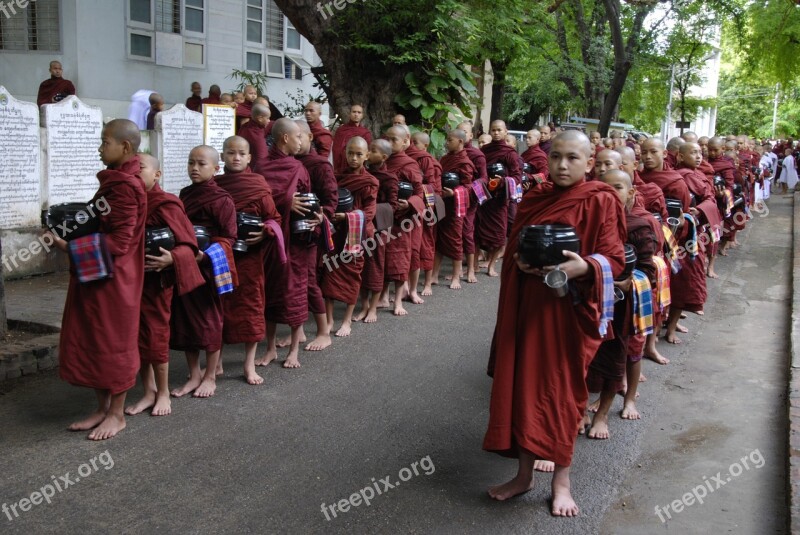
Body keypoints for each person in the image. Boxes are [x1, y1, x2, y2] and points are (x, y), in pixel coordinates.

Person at [484, 131, 626, 516]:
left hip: (568, 313)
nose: (563, 165)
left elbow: (613, 260)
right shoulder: (535, 197)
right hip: (529, 306)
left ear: (589, 162)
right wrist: (520, 264)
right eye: (557, 157)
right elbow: (515, 249)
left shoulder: (600, 200)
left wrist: (585, 266)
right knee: (523, 388)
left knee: (563, 395)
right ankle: (523, 476)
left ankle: (561, 483)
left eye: (573, 158)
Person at [52, 119, 146, 440]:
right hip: (99, 274)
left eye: (105, 142)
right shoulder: (117, 181)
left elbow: (120, 242)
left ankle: (117, 414)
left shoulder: (125, 187)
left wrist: (68, 246)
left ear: (125, 147)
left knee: (112, 342)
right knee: (94, 338)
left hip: (115, 280)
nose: (99, 148)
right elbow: (98, 221)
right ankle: (102, 408)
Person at [126, 154, 204, 417]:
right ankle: (147, 391)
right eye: (131, 170)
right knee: (137, 335)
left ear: (156, 175)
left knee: (156, 335)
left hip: (157, 282)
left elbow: (189, 243)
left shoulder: (166, 203)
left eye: (141, 169)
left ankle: (162, 392)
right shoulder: (125, 202)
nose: (135, 174)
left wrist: (172, 258)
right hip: (130, 282)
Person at [588, 169, 657, 437]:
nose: (610, 193)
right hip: (588, 302)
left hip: (620, 305)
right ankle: (580, 410)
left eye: (617, 187)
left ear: (631, 193)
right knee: (582, 361)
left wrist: (630, 282)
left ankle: (603, 414)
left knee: (614, 360)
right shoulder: (589, 223)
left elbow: (648, 270)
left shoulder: (638, 227)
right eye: (604, 188)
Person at [170, 146, 237, 398]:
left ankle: (210, 375)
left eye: (201, 164)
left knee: (210, 320)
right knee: (185, 318)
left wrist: (203, 255)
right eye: (191, 163)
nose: (194, 168)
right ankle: (194, 374)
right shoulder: (185, 194)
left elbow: (229, 237)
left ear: (216, 169)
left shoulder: (221, 199)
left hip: (209, 264)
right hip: (186, 262)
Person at [215, 136, 281, 385]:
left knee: (252, 309)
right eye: (231, 153)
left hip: (251, 259)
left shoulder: (257, 185)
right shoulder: (215, 185)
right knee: (220, 308)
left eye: (242, 153)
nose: (236, 157)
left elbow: (274, 218)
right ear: (222, 157)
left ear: (250, 157)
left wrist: (266, 231)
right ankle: (217, 361)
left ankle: (248, 363)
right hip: (223, 258)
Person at [256, 119, 316, 369]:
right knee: (270, 293)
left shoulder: (298, 168)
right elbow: (259, 199)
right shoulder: (261, 167)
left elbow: (309, 200)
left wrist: (318, 216)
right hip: (272, 240)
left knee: (295, 293)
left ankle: (293, 350)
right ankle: (270, 348)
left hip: (296, 241)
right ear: (284, 138)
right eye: (298, 137)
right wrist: (286, 201)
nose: (301, 142)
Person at [320, 137, 378, 336]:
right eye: (350, 153)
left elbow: (369, 213)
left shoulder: (370, 181)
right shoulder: (336, 176)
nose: (354, 158)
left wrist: (347, 216)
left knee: (353, 276)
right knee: (328, 275)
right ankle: (328, 321)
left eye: (359, 154)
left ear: (367, 156)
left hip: (355, 234)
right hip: (336, 234)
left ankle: (346, 321)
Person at [639, 138, 692, 344]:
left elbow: (683, 213)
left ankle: (658, 335)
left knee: (664, 287)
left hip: (669, 241)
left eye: (653, 152)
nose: (648, 156)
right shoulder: (637, 179)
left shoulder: (675, 181)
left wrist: (676, 228)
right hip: (644, 241)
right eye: (644, 152)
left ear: (664, 154)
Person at [293, 120, 336, 352]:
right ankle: (297, 331)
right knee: (292, 281)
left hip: (311, 229)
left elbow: (331, 200)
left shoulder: (320, 165)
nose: (296, 141)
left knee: (309, 280)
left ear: (310, 138)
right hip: (290, 229)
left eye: (301, 136)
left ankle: (323, 332)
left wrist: (322, 217)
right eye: (293, 136)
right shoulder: (287, 163)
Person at [382, 126, 425, 316]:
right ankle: (383, 296)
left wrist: (408, 204)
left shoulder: (409, 164)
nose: (390, 144)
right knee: (383, 259)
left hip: (405, 219)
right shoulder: (382, 162)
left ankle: (399, 300)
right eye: (387, 139)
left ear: (404, 141)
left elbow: (419, 193)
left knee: (403, 259)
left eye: (394, 140)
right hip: (384, 217)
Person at [355, 139, 399, 323]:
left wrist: (371, 209)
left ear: (383, 157)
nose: (368, 153)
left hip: (380, 228)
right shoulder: (361, 175)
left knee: (376, 268)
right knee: (362, 267)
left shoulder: (390, 179)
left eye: (372, 150)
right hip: (361, 226)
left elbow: (393, 205)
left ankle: (373, 307)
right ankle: (364, 306)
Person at [478, 120, 521, 277]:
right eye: (493, 130)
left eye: (499, 130)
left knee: (499, 233)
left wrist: (502, 182)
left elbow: (517, 176)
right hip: (484, 196)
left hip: (500, 198)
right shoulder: (484, 151)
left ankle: (491, 264)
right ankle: (477, 263)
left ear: (505, 132)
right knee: (478, 230)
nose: (496, 133)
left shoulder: (509, 153)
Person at [432, 129, 474, 290]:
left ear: (461, 142)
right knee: (439, 240)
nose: (447, 143)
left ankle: (456, 276)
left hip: (456, 207)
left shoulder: (465, 162)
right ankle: (435, 274)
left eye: (450, 140)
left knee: (455, 241)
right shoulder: (445, 158)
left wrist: (454, 192)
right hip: (442, 204)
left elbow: (468, 186)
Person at [407, 131, 442, 298]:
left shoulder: (426, 159)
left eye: (415, 142)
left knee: (427, 243)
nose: (412, 145)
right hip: (410, 206)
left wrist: (417, 186)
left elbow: (433, 185)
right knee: (411, 245)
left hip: (426, 205)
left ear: (425, 145)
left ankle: (428, 282)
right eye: (411, 141)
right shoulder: (404, 157)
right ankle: (407, 286)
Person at [458, 121, 487, 284]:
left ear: (471, 135)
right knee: (454, 233)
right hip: (453, 198)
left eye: (465, 132)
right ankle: (458, 268)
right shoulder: (452, 154)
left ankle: (471, 269)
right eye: (459, 131)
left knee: (467, 232)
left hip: (469, 198)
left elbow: (484, 178)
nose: (462, 135)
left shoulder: (477, 155)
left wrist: (468, 188)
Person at [332, 104, 373, 173]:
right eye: (354, 112)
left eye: (359, 112)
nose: (356, 114)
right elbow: (336, 151)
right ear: (349, 114)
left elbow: (366, 152)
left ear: (362, 115)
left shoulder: (365, 133)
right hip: (342, 167)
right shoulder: (341, 130)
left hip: (358, 168)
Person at [237, 103, 270, 175]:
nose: (269, 121)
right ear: (260, 118)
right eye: (267, 118)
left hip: (242, 167)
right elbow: (262, 158)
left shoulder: (245, 127)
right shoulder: (256, 134)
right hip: (254, 172)